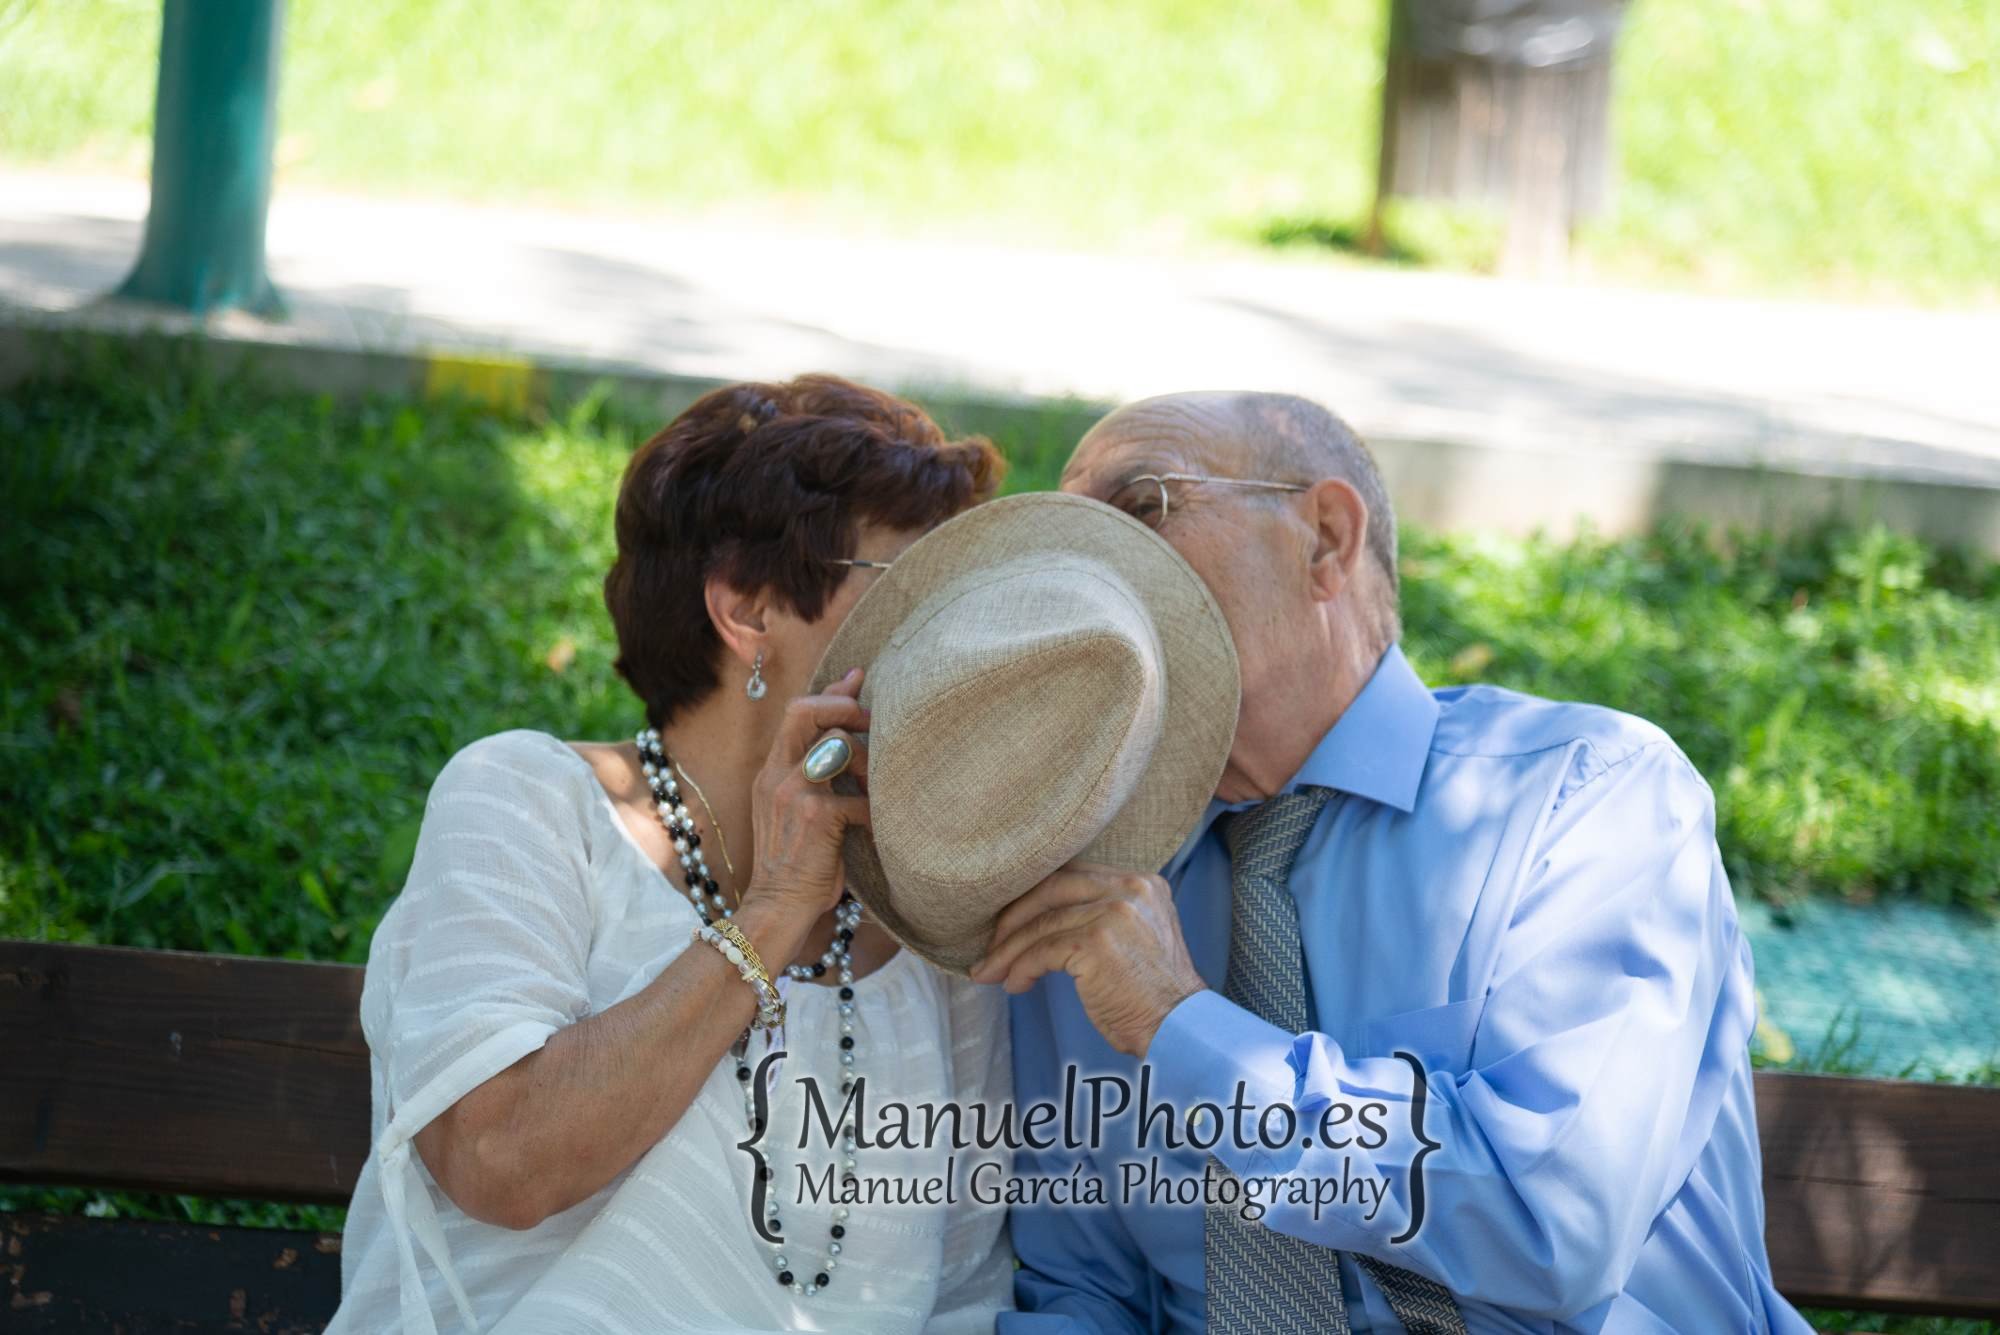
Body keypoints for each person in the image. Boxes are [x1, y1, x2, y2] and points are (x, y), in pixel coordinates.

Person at [984, 391, 1811, 1333]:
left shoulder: (1586, 799)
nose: (1093, 567)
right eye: (1069, 541)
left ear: (1326, 540)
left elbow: (1555, 1220)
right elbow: (1085, 1289)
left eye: (1141, 507)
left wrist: (1183, 1027)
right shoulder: (1100, 892)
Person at [328, 375, 1016, 1334]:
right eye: (912, 588)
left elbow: (967, 1289)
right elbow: (497, 1158)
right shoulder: (529, 799)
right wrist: (774, 910)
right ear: (749, 610)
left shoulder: (930, 904)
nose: (958, 633)